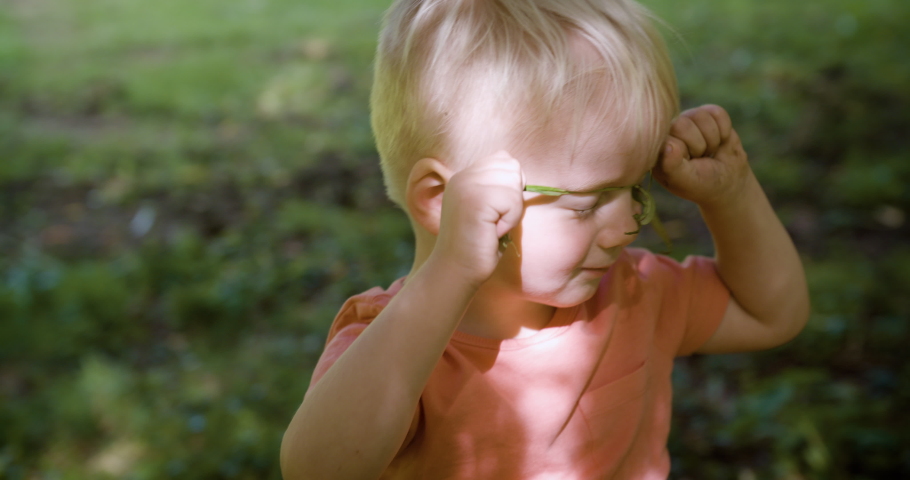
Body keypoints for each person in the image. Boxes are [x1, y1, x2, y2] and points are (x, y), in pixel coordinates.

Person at [281, 0, 810, 478]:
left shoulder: (633, 296)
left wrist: (733, 195)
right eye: (586, 203)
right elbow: (318, 470)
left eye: (633, 188)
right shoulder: (399, 350)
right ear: (444, 201)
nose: (629, 224)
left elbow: (771, 316)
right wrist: (451, 270)